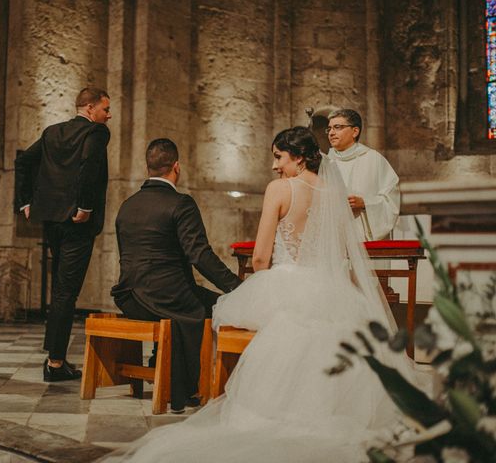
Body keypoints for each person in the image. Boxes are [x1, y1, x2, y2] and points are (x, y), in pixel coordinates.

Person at [103, 127, 415, 462]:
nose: (274, 166)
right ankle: (196, 386)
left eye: (278, 157)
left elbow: (261, 258)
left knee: (235, 318)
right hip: (330, 287)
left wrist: (254, 287)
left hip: (265, 283)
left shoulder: (279, 189)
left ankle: (208, 389)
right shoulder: (334, 194)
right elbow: (341, 253)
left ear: (297, 156)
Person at [111, 138, 242, 414]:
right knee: (221, 306)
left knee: (192, 299)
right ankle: (197, 386)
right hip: (166, 298)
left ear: (148, 167)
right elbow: (200, 256)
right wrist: (236, 287)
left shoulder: (127, 205)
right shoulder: (181, 203)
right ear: (177, 167)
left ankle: (167, 368)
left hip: (128, 297)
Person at [14, 87, 111, 382]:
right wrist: (85, 207)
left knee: (60, 289)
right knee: (66, 291)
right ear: (90, 108)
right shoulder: (96, 133)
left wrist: (27, 201)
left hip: (52, 221)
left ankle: (55, 357)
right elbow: (89, 168)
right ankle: (55, 363)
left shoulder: (52, 132)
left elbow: (23, 161)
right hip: (77, 223)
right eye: (106, 109)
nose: (108, 115)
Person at [326, 109, 400, 241]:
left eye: (337, 127)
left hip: (366, 242)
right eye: (329, 128)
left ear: (355, 131)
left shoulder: (374, 160)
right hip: (333, 240)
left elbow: (392, 203)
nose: (331, 133)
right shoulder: (325, 163)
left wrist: (365, 204)